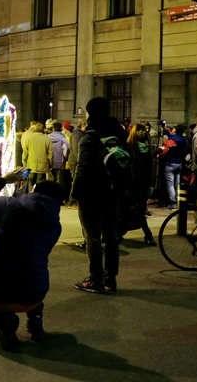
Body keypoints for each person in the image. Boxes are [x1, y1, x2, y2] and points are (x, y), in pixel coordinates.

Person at [0, 169, 64, 351]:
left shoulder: (9, 207)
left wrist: (3, 180)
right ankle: (36, 326)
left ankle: (6, 322)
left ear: (34, 190)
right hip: (32, 296)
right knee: (30, 277)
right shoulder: (55, 227)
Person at [70, 96, 126, 294]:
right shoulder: (117, 132)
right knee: (111, 236)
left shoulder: (90, 136)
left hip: (91, 192)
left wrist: (74, 192)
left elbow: (82, 167)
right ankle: (111, 278)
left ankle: (96, 278)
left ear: (90, 113)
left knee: (92, 237)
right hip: (112, 191)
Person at [124, 122, 156, 246]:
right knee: (135, 209)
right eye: (139, 130)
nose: (141, 132)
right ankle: (148, 234)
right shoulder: (129, 146)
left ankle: (147, 234)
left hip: (144, 183)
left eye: (143, 130)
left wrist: (151, 184)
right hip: (132, 183)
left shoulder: (148, 147)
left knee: (141, 209)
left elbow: (150, 167)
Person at [159, 124, 188, 210]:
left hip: (170, 163)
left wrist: (165, 128)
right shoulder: (183, 139)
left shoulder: (171, 139)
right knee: (177, 183)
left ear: (175, 130)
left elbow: (166, 149)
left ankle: (173, 202)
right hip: (179, 163)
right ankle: (179, 200)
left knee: (170, 184)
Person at [21, 122, 51, 191]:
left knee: (30, 183)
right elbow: (50, 154)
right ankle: (37, 198)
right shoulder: (47, 139)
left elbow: (25, 152)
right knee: (39, 184)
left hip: (31, 165)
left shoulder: (29, 138)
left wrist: (25, 163)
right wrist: (50, 164)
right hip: (42, 165)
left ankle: (30, 198)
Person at [47, 121, 69, 192]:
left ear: (53, 128)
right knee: (60, 180)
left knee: (50, 180)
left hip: (49, 162)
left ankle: (50, 194)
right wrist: (65, 158)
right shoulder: (63, 139)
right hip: (60, 162)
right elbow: (65, 150)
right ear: (61, 128)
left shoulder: (47, 137)